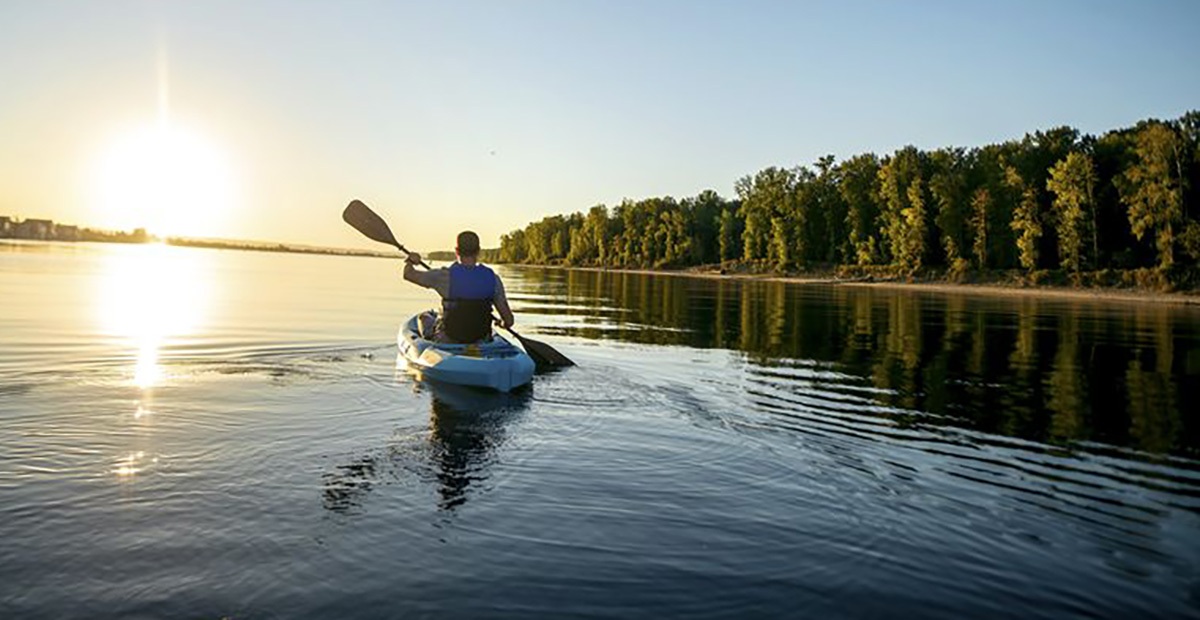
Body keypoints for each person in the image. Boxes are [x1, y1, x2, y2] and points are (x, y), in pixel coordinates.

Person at [403, 230, 515, 343]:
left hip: (449, 338)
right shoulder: (493, 279)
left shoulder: (444, 276)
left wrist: (410, 261)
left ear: (457, 251)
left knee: (424, 318)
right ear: (478, 251)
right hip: (481, 338)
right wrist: (502, 323)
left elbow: (408, 275)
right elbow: (509, 321)